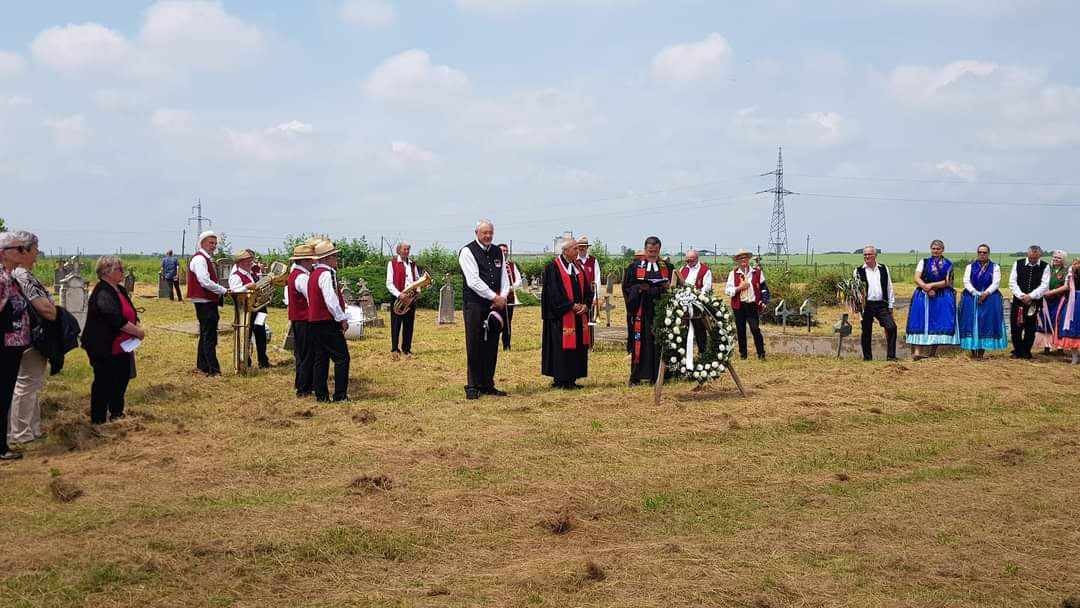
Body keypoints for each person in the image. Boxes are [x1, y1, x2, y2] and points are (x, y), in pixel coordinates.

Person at [81, 256, 145, 424]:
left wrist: (136, 322)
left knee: (121, 379)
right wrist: (137, 332)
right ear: (105, 272)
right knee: (104, 382)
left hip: (122, 346)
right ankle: (99, 420)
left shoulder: (119, 289)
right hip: (104, 346)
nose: (122, 272)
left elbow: (130, 311)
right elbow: (114, 318)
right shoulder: (103, 291)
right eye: (119, 269)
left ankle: (117, 413)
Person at [9, 231, 56, 445]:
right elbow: (44, 309)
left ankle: (32, 429)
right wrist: (56, 312)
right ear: (25, 250)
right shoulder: (23, 275)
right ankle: (21, 433)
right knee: (26, 385)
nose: (38, 253)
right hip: (30, 338)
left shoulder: (21, 274)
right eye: (35, 249)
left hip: (27, 336)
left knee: (31, 384)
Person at [459, 219, 510, 399]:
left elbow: (504, 277)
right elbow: (473, 281)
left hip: (495, 305)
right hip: (475, 305)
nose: (488, 236)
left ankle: (488, 383)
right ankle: (473, 385)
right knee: (474, 343)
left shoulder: (498, 251)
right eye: (484, 233)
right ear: (477, 233)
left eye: (490, 233)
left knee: (492, 343)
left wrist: (503, 296)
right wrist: (494, 296)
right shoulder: (467, 251)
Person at [541, 237, 592, 389]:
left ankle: (572, 378)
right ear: (565, 251)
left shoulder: (578, 267)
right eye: (575, 249)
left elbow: (587, 289)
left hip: (578, 315)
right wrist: (571, 306)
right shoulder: (552, 268)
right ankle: (561, 379)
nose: (578, 251)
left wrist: (586, 305)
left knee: (577, 347)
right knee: (561, 349)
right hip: (561, 317)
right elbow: (553, 293)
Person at [623, 236, 672, 385]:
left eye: (655, 251)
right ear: (645, 249)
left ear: (659, 250)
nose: (652, 254)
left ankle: (657, 376)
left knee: (658, 342)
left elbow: (674, 287)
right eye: (650, 251)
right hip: (641, 310)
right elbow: (626, 288)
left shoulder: (667, 267)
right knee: (641, 342)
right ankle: (637, 376)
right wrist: (639, 288)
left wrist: (667, 287)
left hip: (660, 311)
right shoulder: (634, 267)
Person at [1, 232, 32, 461]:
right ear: (3, 253)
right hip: (5, 345)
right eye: (19, 249)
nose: (23, 252)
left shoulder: (9, 276)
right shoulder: (2, 279)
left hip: (13, 344)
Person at [308, 240, 351, 402]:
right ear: (327, 258)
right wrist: (341, 318)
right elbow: (331, 300)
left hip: (315, 322)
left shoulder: (313, 274)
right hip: (327, 321)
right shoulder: (327, 274)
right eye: (334, 256)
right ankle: (340, 395)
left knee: (321, 358)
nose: (336, 259)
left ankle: (321, 395)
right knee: (342, 358)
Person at [906, 239, 959, 359]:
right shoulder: (924, 262)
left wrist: (932, 285)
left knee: (938, 322)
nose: (935, 251)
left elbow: (948, 281)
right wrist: (925, 287)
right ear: (930, 249)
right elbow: (917, 277)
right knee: (919, 320)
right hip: (923, 294)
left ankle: (932, 353)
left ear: (942, 250)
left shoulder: (948, 264)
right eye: (933, 248)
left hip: (942, 295)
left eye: (938, 249)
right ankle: (917, 352)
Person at [187, 231, 227, 375]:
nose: (214, 246)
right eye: (211, 243)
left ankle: (203, 365)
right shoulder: (200, 259)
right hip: (204, 301)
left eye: (215, 243)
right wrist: (222, 290)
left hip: (206, 300)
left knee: (206, 334)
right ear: (202, 242)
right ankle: (213, 370)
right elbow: (204, 281)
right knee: (209, 336)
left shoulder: (205, 258)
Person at [958, 244, 1008, 358]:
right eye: (980, 252)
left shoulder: (995, 267)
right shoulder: (970, 266)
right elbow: (966, 281)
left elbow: (996, 283)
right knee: (971, 322)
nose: (982, 254)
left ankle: (981, 352)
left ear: (988, 254)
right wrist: (975, 293)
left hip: (990, 297)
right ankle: (972, 351)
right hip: (971, 296)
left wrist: (986, 293)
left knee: (985, 323)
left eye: (984, 252)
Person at [854, 245, 897, 361]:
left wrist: (891, 304)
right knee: (866, 331)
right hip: (866, 305)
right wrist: (858, 308)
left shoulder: (884, 268)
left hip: (882, 304)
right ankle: (867, 358)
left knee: (891, 327)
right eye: (865, 255)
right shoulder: (858, 271)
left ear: (875, 255)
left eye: (869, 254)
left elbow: (889, 287)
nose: (867, 256)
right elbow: (856, 291)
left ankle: (891, 356)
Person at [228, 249, 270, 369]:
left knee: (261, 334)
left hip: (259, 310)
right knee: (246, 335)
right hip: (247, 312)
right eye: (247, 261)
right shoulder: (236, 276)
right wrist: (247, 286)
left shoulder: (251, 273)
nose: (250, 263)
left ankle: (263, 361)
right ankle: (246, 362)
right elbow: (234, 292)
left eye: (251, 260)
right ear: (239, 262)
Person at [1008, 245, 1050, 359]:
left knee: (1030, 328)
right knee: (1016, 327)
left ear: (1039, 256)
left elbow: (1044, 285)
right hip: (1018, 301)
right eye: (1031, 257)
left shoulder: (1045, 266)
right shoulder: (1018, 263)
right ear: (1028, 254)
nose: (1032, 260)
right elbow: (1012, 282)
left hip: (1034, 302)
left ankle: (1026, 351)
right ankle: (1017, 351)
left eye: (1035, 258)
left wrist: (1031, 296)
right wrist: (1021, 295)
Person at [724, 249, 767, 360]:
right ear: (737, 260)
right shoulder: (733, 274)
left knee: (755, 329)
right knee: (741, 330)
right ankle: (743, 355)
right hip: (739, 305)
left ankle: (761, 354)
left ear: (748, 259)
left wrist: (764, 301)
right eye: (741, 258)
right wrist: (739, 288)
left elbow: (764, 289)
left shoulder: (757, 272)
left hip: (752, 305)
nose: (743, 260)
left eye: (745, 257)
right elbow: (727, 291)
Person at [286, 243, 316, 397]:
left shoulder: (295, 274)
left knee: (301, 353)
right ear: (305, 261)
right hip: (305, 319)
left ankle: (301, 383)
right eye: (311, 260)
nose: (313, 262)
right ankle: (304, 388)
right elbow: (311, 298)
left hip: (298, 319)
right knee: (307, 354)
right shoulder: (302, 277)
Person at [385, 242, 420, 355]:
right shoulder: (392, 263)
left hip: (410, 298)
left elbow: (417, 280)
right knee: (396, 324)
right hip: (398, 298)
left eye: (408, 249)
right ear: (398, 250)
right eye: (404, 249)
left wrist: (418, 291)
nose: (407, 251)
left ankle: (406, 349)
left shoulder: (413, 264)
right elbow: (389, 283)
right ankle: (395, 349)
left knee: (409, 324)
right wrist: (399, 294)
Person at [1035, 250, 1069, 354]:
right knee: (1045, 321)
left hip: (1059, 300)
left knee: (1058, 321)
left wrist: (1052, 292)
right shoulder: (1047, 268)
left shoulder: (1066, 270)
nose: (1056, 259)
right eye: (1054, 257)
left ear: (1063, 260)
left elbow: (1067, 286)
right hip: (1046, 300)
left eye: (1059, 258)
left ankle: (1059, 347)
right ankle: (1047, 346)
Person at [1054, 258, 1080, 365]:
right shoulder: (1070, 274)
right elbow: (1066, 287)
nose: (1076, 265)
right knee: (1072, 327)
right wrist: (1052, 292)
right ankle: (1075, 357)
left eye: (1077, 263)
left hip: (1074, 302)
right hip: (1072, 302)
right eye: (1074, 263)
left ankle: (1076, 357)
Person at [499, 243, 522, 351]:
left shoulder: (512, 265)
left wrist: (510, 288)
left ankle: (506, 345)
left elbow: (518, 280)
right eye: (502, 250)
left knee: (508, 323)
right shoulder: (494, 264)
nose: (504, 252)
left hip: (509, 298)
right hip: (497, 298)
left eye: (506, 251)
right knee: (496, 321)